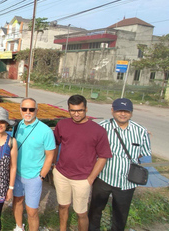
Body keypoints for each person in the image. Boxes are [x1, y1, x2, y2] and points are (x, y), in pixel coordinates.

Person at [88, 98, 152, 231]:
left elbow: (142, 153)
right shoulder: (102, 127)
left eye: (126, 111)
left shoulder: (140, 131)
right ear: (112, 111)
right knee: (95, 210)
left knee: (121, 215)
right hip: (104, 178)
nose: (122, 114)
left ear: (131, 113)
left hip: (127, 182)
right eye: (119, 111)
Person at [53, 94, 112, 231]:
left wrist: (90, 178)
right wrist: (54, 164)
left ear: (86, 109)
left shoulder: (98, 131)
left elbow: (103, 156)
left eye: (80, 110)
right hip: (62, 174)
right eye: (72, 110)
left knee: (81, 212)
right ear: (68, 109)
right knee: (63, 205)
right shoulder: (62, 124)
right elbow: (55, 144)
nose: (76, 114)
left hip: (82, 179)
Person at [12, 98, 56, 231]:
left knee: (32, 211)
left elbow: (50, 156)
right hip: (17, 174)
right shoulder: (17, 126)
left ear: (37, 110)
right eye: (24, 109)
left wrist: (41, 177)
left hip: (33, 177)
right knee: (17, 202)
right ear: (20, 110)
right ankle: (19, 227)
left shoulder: (45, 131)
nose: (28, 112)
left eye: (31, 109)